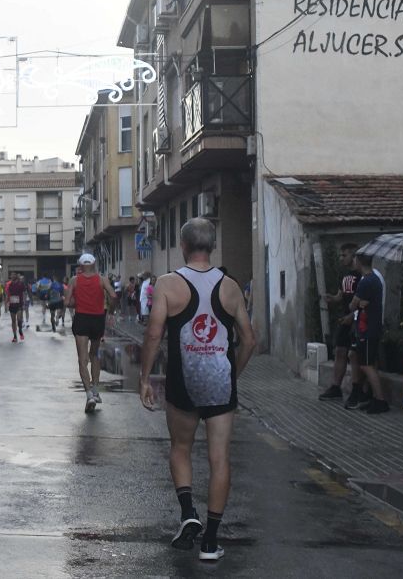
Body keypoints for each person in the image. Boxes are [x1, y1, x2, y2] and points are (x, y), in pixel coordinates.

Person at [139, 218, 256, 562]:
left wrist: (145, 377)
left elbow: (154, 334)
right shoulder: (231, 286)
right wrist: (234, 372)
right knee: (219, 458)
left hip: (183, 382)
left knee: (181, 447)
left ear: (184, 246)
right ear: (212, 245)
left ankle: (188, 511)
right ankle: (210, 541)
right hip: (221, 382)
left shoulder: (167, 284)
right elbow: (250, 339)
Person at [68, 254, 115, 412]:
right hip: (98, 319)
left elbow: (67, 302)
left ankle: (89, 395)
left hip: (81, 319)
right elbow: (113, 295)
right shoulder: (102, 279)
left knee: (82, 359)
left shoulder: (74, 280)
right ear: (94, 263)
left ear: (80, 266)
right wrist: (111, 312)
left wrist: (78, 301)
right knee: (94, 355)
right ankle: (96, 390)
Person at [319, 244, 361, 401]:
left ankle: (359, 390)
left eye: (344, 255)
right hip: (345, 318)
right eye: (340, 255)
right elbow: (340, 296)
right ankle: (336, 387)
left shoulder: (360, 275)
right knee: (339, 351)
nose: (341, 258)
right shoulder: (343, 274)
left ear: (353, 255)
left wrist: (353, 315)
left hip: (356, 318)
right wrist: (332, 298)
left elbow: (364, 300)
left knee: (355, 354)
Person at [349, 253, 390, 414]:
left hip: (367, 330)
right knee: (369, 363)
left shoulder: (366, 282)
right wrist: (360, 303)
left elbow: (352, 306)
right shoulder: (375, 279)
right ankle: (373, 397)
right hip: (372, 328)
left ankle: (380, 400)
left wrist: (357, 303)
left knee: (366, 365)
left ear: (358, 261)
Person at [5, 272, 26, 343]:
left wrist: (24, 302)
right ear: (10, 276)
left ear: (16, 276)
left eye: (14, 274)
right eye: (11, 275)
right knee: (13, 321)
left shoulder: (20, 284)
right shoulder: (9, 284)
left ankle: (20, 329)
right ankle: (15, 336)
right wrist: (6, 303)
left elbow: (24, 293)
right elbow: (7, 294)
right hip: (12, 304)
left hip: (19, 304)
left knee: (19, 319)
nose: (12, 276)